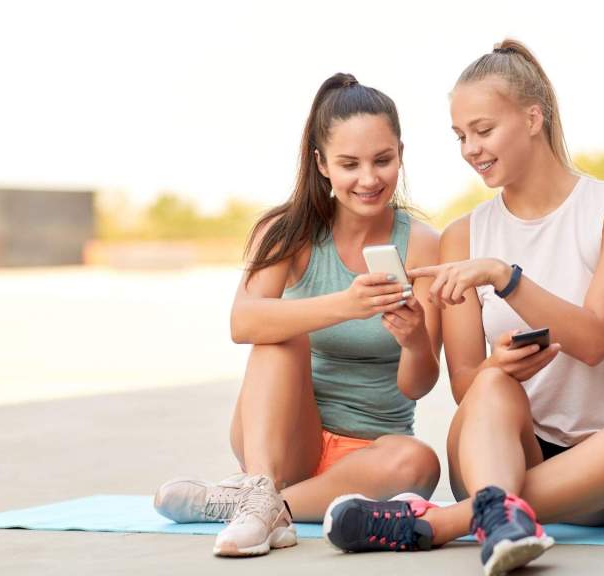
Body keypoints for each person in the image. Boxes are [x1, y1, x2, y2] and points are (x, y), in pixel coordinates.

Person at [323, 40, 604, 576]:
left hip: (599, 463)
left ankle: (453, 521)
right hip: (497, 448)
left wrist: (504, 277)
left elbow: (595, 338)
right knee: (491, 386)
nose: (470, 148)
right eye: (460, 135)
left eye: (482, 130)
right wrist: (497, 368)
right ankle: (494, 506)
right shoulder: (463, 234)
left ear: (533, 117)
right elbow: (467, 385)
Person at [153, 73, 443, 558]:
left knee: (419, 462)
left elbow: (419, 385)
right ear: (321, 164)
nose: (368, 179)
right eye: (349, 164)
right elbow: (242, 323)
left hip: (369, 454)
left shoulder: (425, 243)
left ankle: (253, 505)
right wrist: (344, 305)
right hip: (284, 440)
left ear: (401, 154)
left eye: (382, 160)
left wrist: (414, 340)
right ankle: (261, 487)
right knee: (280, 332)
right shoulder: (286, 231)